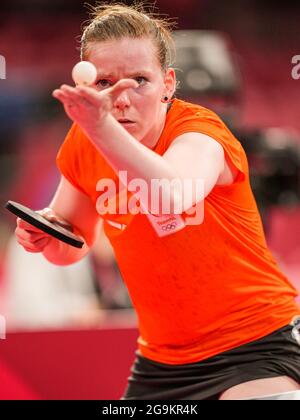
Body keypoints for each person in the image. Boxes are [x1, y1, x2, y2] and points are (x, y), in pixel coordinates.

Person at [14, 3, 300, 400]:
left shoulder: (201, 133)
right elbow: (71, 245)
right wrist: (45, 235)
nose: (121, 98)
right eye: (105, 83)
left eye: (139, 80)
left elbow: (172, 196)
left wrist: (101, 128)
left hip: (255, 344)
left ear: (168, 84)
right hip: (164, 362)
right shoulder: (85, 142)